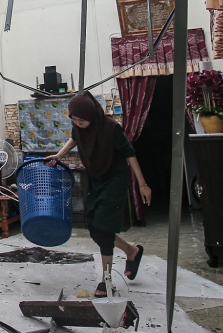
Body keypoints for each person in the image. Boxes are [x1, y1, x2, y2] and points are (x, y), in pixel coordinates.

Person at [45, 93, 151, 297]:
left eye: (82, 120)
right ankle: (131, 251)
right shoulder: (78, 126)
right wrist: (59, 156)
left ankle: (107, 279)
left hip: (114, 179)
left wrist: (142, 184)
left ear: (92, 116)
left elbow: (130, 153)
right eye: (74, 120)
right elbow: (75, 138)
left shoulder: (110, 127)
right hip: (95, 178)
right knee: (94, 227)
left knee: (103, 227)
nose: (78, 123)